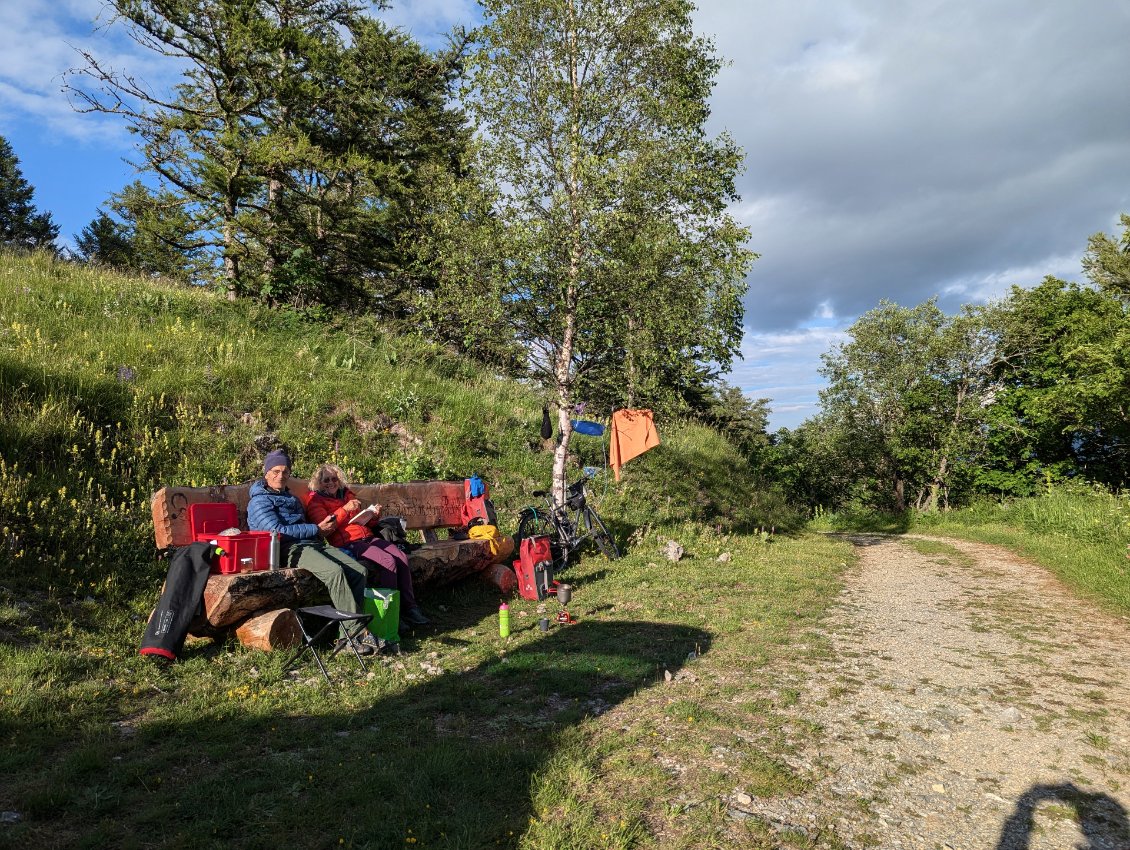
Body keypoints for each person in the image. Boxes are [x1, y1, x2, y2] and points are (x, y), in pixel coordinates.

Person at [247, 449, 379, 654]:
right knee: (335, 573)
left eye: (285, 471)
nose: (280, 476)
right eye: (275, 471)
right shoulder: (260, 501)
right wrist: (316, 529)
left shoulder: (290, 498)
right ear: (266, 473)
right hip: (283, 549)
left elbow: (305, 523)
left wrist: (321, 529)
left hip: (310, 543)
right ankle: (354, 634)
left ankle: (346, 635)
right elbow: (276, 531)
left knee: (358, 571)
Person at [303, 463, 430, 627]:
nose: (331, 483)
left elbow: (365, 523)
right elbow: (325, 529)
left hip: (367, 537)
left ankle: (410, 608)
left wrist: (373, 515)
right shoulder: (316, 501)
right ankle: (388, 614)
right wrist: (345, 510)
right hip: (347, 543)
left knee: (400, 557)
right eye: (326, 480)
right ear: (319, 483)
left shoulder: (347, 495)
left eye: (334, 479)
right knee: (387, 561)